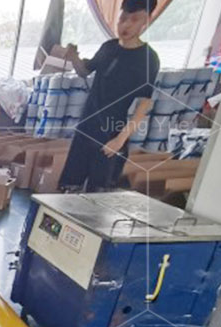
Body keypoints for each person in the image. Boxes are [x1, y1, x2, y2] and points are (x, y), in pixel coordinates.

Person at [58, 0, 160, 192]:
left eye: (134, 19)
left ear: (146, 20)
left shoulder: (147, 58)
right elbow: (84, 71)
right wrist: (73, 57)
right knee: (69, 187)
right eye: (123, 18)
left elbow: (144, 104)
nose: (126, 25)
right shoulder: (108, 47)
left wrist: (119, 140)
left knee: (98, 194)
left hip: (111, 135)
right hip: (86, 128)